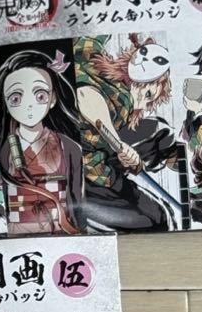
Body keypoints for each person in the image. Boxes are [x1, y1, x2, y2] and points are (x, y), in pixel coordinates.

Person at [74, 34, 178, 231]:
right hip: (86, 174)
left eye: (148, 100)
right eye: (147, 94)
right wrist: (119, 145)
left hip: (96, 167)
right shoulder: (124, 100)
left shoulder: (92, 50)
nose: (142, 105)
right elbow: (85, 96)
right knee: (158, 218)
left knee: (158, 216)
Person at [0, 47, 86, 235]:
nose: (29, 105)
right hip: (16, 235)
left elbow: (77, 201)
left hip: (60, 232)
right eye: (16, 98)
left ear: (53, 99)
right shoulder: (0, 148)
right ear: (5, 103)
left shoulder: (69, 147)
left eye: (40, 95)